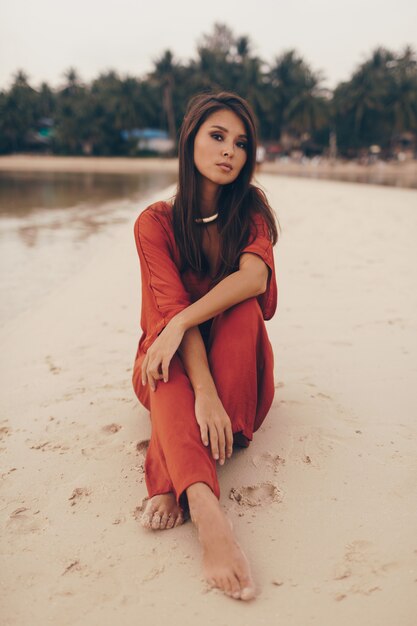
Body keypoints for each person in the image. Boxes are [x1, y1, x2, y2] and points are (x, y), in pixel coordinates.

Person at [131, 91, 279, 601]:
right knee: (164, 357)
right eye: (216, 137)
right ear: (189, 139)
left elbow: (255, 279)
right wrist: (201, 386)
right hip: (172, 367)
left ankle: (172, 461)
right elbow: (168, 321)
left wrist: (184, 323)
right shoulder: (154, 223)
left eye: (240, 143)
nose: (229, 152)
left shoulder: (251, 211)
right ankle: (208, 511)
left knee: (239, 309)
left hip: (237, 369)